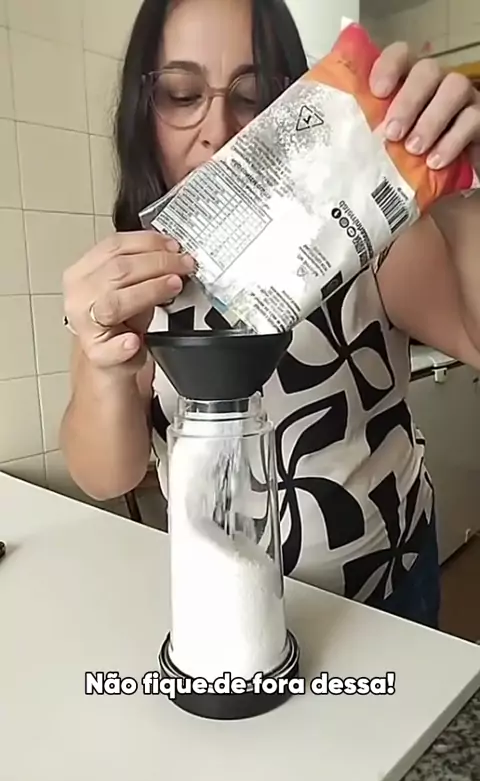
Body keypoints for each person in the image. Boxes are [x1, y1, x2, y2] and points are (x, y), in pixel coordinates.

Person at [60, 0, 480, 629]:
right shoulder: (135, 276)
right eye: (182, 94)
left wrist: (457, 186)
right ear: (144, 112)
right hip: (223, 599)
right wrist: (106, 366)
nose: (220, 130)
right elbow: (105, 474)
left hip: (385, 594)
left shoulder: (364, 238)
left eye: (253, 96)